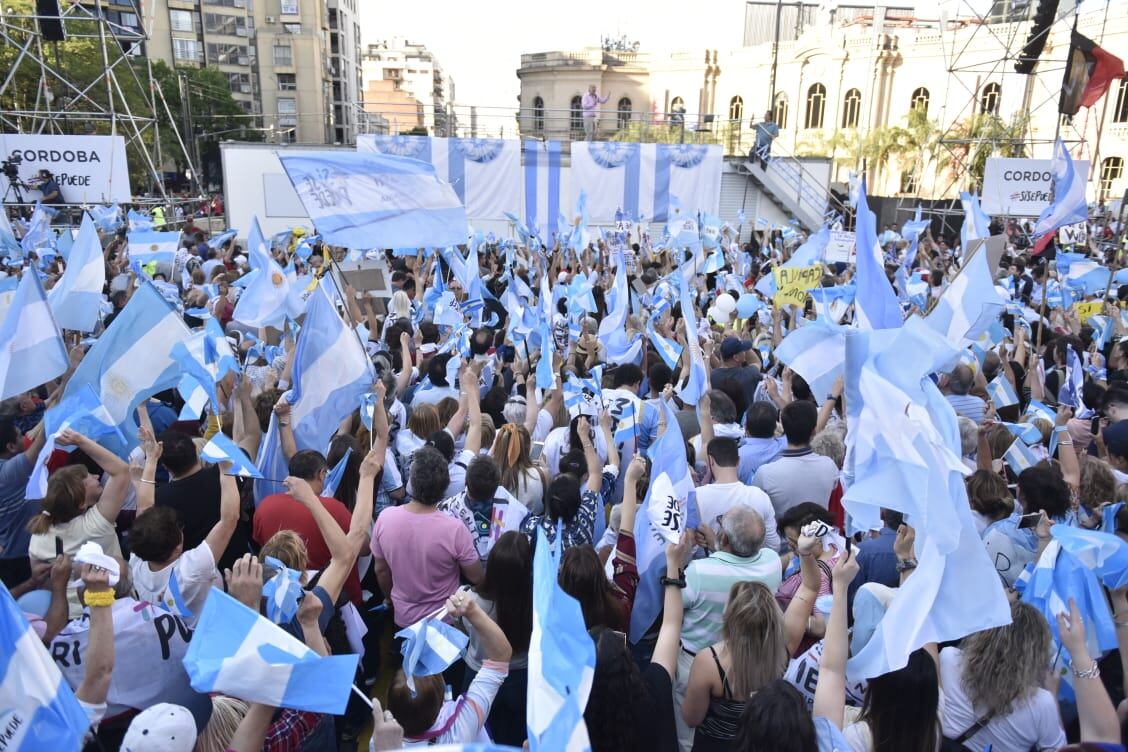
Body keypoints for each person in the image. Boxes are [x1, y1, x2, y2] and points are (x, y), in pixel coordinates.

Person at [674, 507, 781, 749]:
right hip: (753, 659)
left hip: (696, 662)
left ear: (724, 538)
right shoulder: (773, 564)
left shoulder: (698, 572)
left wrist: (677, 566)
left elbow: (673, 606)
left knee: (688, 732)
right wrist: (717, 546)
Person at [371, 445, 482, 630]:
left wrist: (390, 598)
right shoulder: (455, 529)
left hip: (404, 618)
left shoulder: (385, 519)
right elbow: (476, 576)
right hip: (446, 621)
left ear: (411, 482)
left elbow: (381, 570)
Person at [387, 590, 512, 746]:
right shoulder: (463, 725)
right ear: (441, 699)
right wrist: (473, 611)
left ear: (390, 707)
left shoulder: (384, 743)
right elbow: (501, 655)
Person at [27, 430, 131, 616]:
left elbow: (39, 578)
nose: (96, 476)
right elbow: (122, 471)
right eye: (88, 478)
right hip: (111, 607)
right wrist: (79, 439)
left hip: (66, 615)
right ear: (81, 502)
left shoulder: (38, 534)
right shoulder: (96, 525)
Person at [939, 601, 1066, 750]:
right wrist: (1053, 695)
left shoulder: (949, 659)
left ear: (986, 631)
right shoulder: (1042, 703)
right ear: (1036, 653)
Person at [680, 580, 790, 751]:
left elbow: (691, 718)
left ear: (731, 618)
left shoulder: (710, 661)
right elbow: (810, 589)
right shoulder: (781, 656)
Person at [128, 461, 239, 625]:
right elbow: (229, 519)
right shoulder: (191, 569)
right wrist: (226, 469)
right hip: (207, 631)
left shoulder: (136, 564)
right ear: (177, 547)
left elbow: (144, 508)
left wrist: (151, 461)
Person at [252, 449, 362, 605]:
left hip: (280, 599)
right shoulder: (335, 509)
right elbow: (361, 548)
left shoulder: (264, 507)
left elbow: (261, 547)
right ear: (321, 474)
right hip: (331, 599)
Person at [460, 531, 532, 747]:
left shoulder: (469, 599)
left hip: (478, 675)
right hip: (520, 679)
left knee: (476, 737)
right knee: (513, 741)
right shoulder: (536, 603)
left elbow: (464, 631)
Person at [146, 428, 250, 571]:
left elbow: (143, 509)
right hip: (241, 563)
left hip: (199, 571)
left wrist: (151, 460)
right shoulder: (224, 476)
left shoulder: (160, 497)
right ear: (196, 449)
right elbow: (244, 454)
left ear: (164, 466)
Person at [752, 400, 839, 516]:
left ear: (782, 428)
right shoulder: (829, 466)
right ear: (814, 431)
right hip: (820, 532)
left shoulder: (765, 473)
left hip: (783, 533)